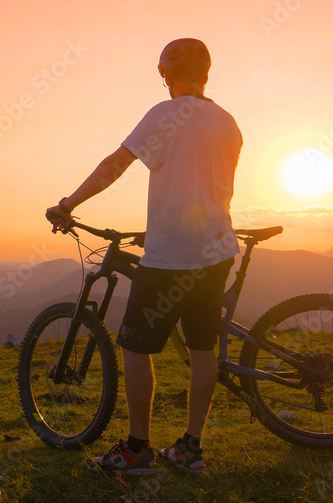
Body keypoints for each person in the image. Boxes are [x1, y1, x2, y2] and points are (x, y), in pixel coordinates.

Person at [45, 38, 243, 476]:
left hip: (172, 255)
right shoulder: (228, 122)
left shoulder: (166, 113)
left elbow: (115, 165)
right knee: (203, 347)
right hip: (216, 251)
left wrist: (69, 204)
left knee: (135, 346)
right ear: (206, 74)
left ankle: (137, 452)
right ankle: (191, 449)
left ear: (164, 73)